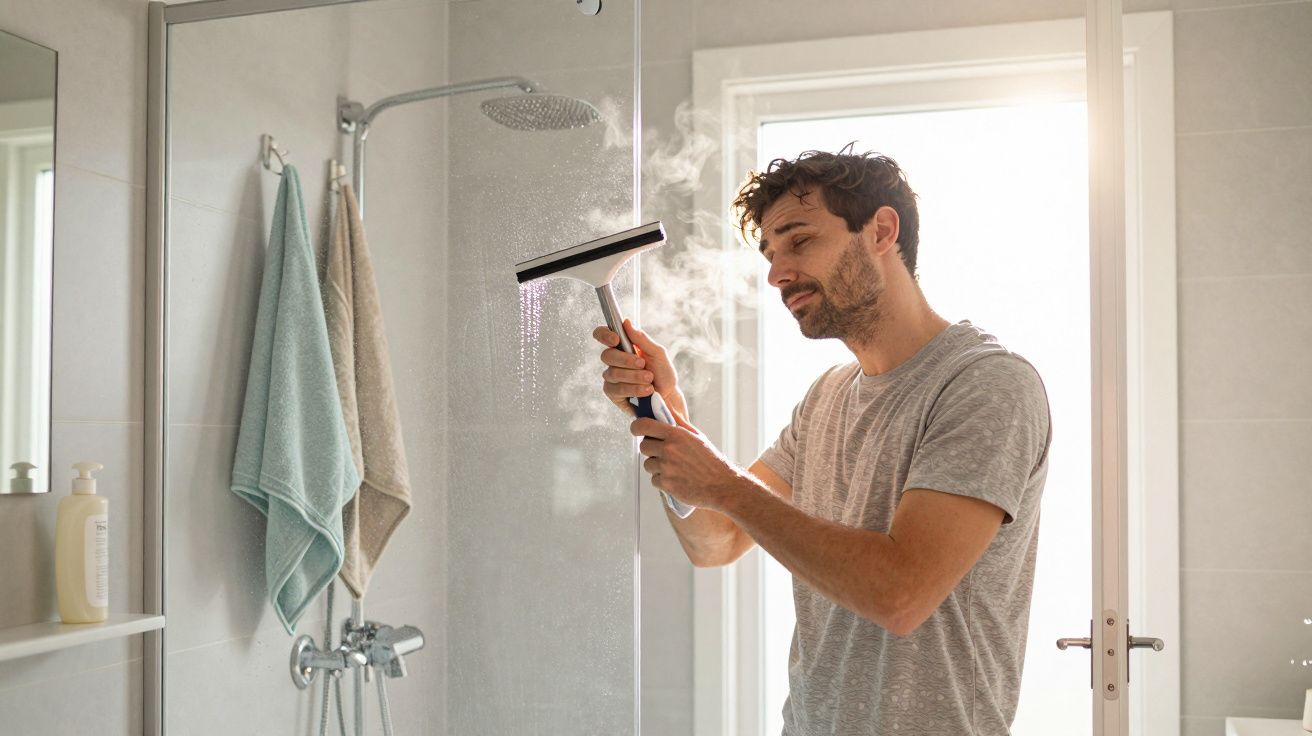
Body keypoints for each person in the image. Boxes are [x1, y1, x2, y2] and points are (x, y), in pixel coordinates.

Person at [594, 148, 1052, 735]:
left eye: (798, 241)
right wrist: (668, 414)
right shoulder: (827, 397)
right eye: (769, 253)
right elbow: (716, 540)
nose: (776, 273)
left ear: (882, 231)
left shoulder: (986, 384)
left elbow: (901, 595)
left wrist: (724, 486)